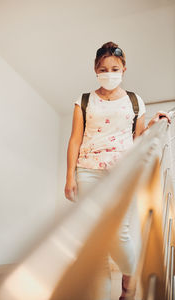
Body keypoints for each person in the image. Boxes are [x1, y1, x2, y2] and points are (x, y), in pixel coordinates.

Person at [64, 41, 171, 300]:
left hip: (123, 172)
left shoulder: (135, 101)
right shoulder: (84, 101)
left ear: (123, 68)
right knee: (94, 242)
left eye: (114, 68)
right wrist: (69, 176)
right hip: (87, 171)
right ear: (95, 69)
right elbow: (75, 139)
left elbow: (137, 139)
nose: (108, 73)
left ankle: (131, 278)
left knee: (118, 232)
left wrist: (154, 123)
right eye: (103, 68)